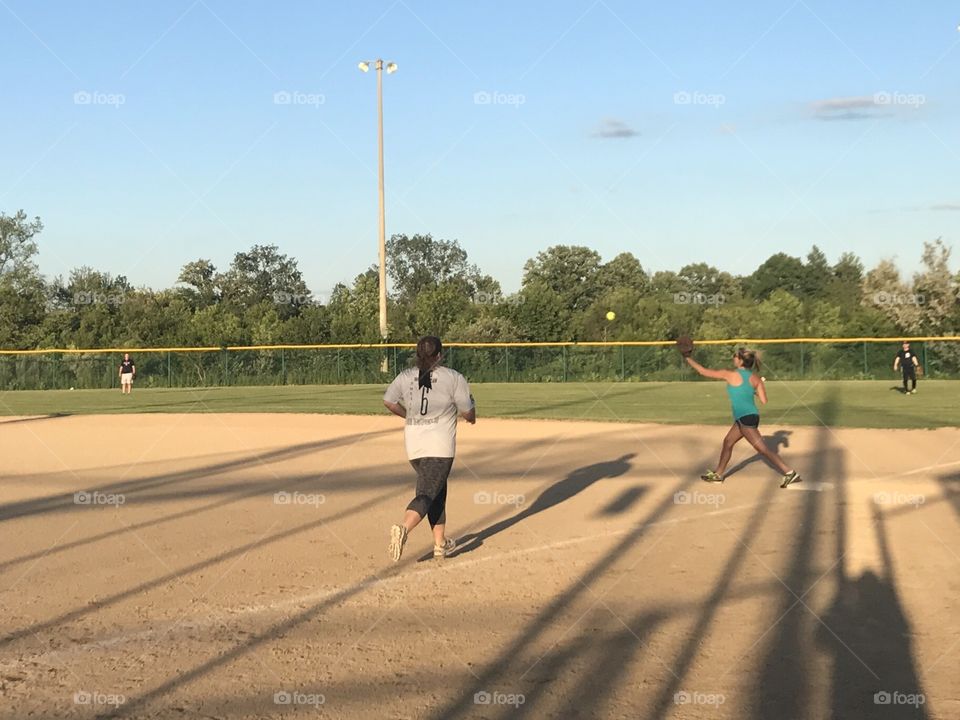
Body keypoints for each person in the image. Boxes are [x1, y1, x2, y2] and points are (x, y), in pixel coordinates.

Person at [383, 336, 476, 561]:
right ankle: (404, 527)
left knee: (436, 490)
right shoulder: (453, 377)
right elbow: (468, 413)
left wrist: (408, 415)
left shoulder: (405, 376)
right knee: (426, 493)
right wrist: (472, 410)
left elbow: (389, 401)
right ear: (440, 355)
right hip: (439, 447)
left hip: (414, 444)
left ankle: (440, 544)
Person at [684, 347, 801, 488]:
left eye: (735, 356)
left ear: (740, 361)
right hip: (748, 416)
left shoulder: (730, 374)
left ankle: (789, 472)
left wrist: (687, 357)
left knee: (762, 449)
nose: (733, 358)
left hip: (745, 418)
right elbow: (764, 400)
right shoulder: (755, 378)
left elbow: (703, 371)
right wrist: (752, 390)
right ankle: (718, 474)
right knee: (728, 442)